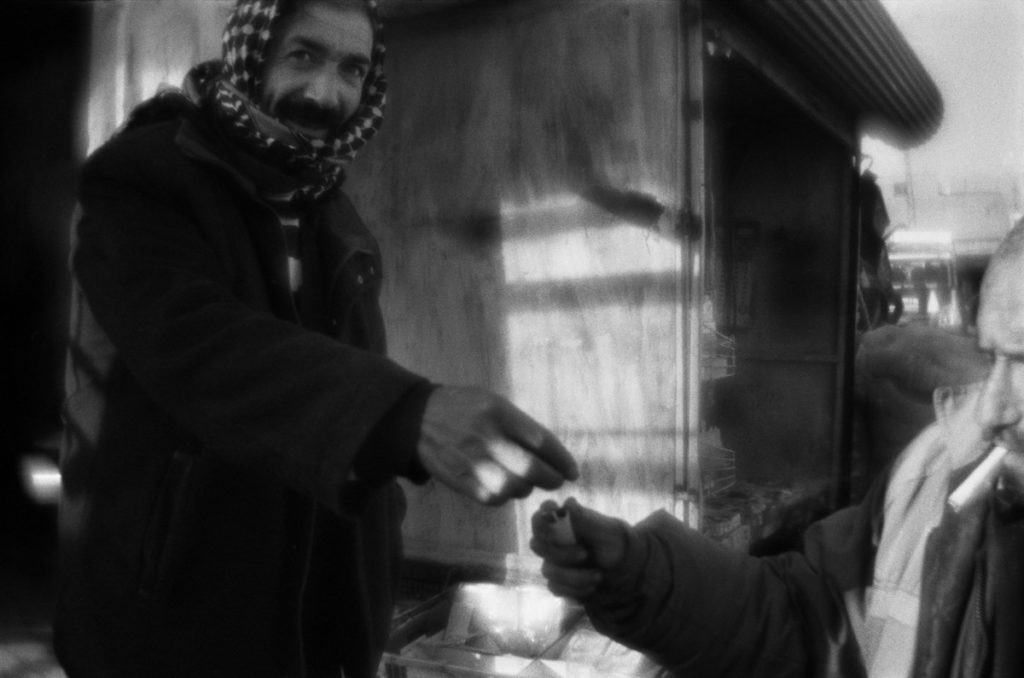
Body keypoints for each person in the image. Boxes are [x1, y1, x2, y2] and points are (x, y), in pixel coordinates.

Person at [56, 1, 578, 676]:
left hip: (306, 626)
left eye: (352, 69)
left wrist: (365, 596)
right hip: (168, 622)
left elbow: (340, 384)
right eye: (302, 56)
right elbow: (200, 346)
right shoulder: (141, 178)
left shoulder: (334, 215)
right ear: (252, 55)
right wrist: (404, 413)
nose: (324, 94)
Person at [532, 223, 1024, 677]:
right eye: (990, 356)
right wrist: (638, 571)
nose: (992, 410)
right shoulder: (933, 472)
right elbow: (810, 616)